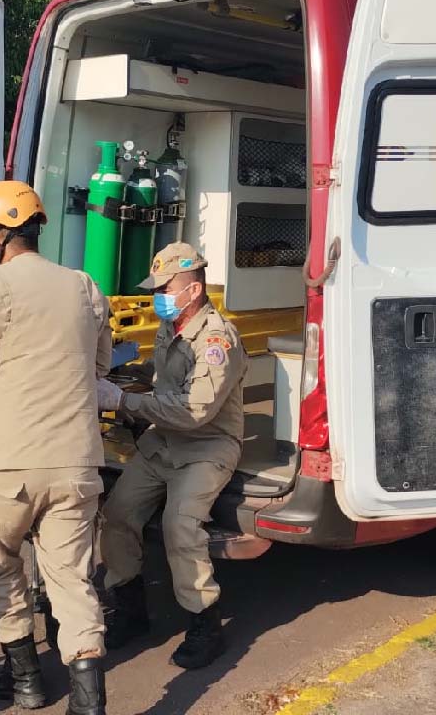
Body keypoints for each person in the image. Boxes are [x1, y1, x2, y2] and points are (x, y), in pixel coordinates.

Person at [0, 180, 109, 715]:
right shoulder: (84, 285)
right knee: (71, 578)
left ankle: (27, 680)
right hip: (78, 462)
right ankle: (89, 705)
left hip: (13, 465)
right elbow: (99, 368)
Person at [95, 243, 247, 670]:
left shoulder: (217, 339)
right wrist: (127, 376)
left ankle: (205, 623)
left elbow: (195, 411)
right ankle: (130, 609)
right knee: (118, 514)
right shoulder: (173, 326)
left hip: (207, 446)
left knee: (179, 525)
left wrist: (122, 400)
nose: (158, 295)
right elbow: (165, 380)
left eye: (165, 287)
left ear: (193, 289)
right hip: (164, 441)